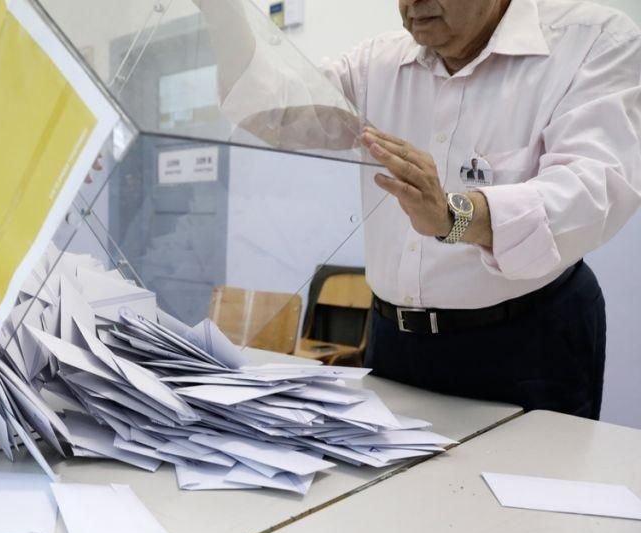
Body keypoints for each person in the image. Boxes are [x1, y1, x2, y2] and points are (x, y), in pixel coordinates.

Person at [197, 0, 640, 419]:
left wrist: (456, 217)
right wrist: (222, 12)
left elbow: (592, 188)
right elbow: (271, 112)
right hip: (395, 341)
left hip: (526, 339)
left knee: (527, 494)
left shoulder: (591, 41)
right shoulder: (378, 65)